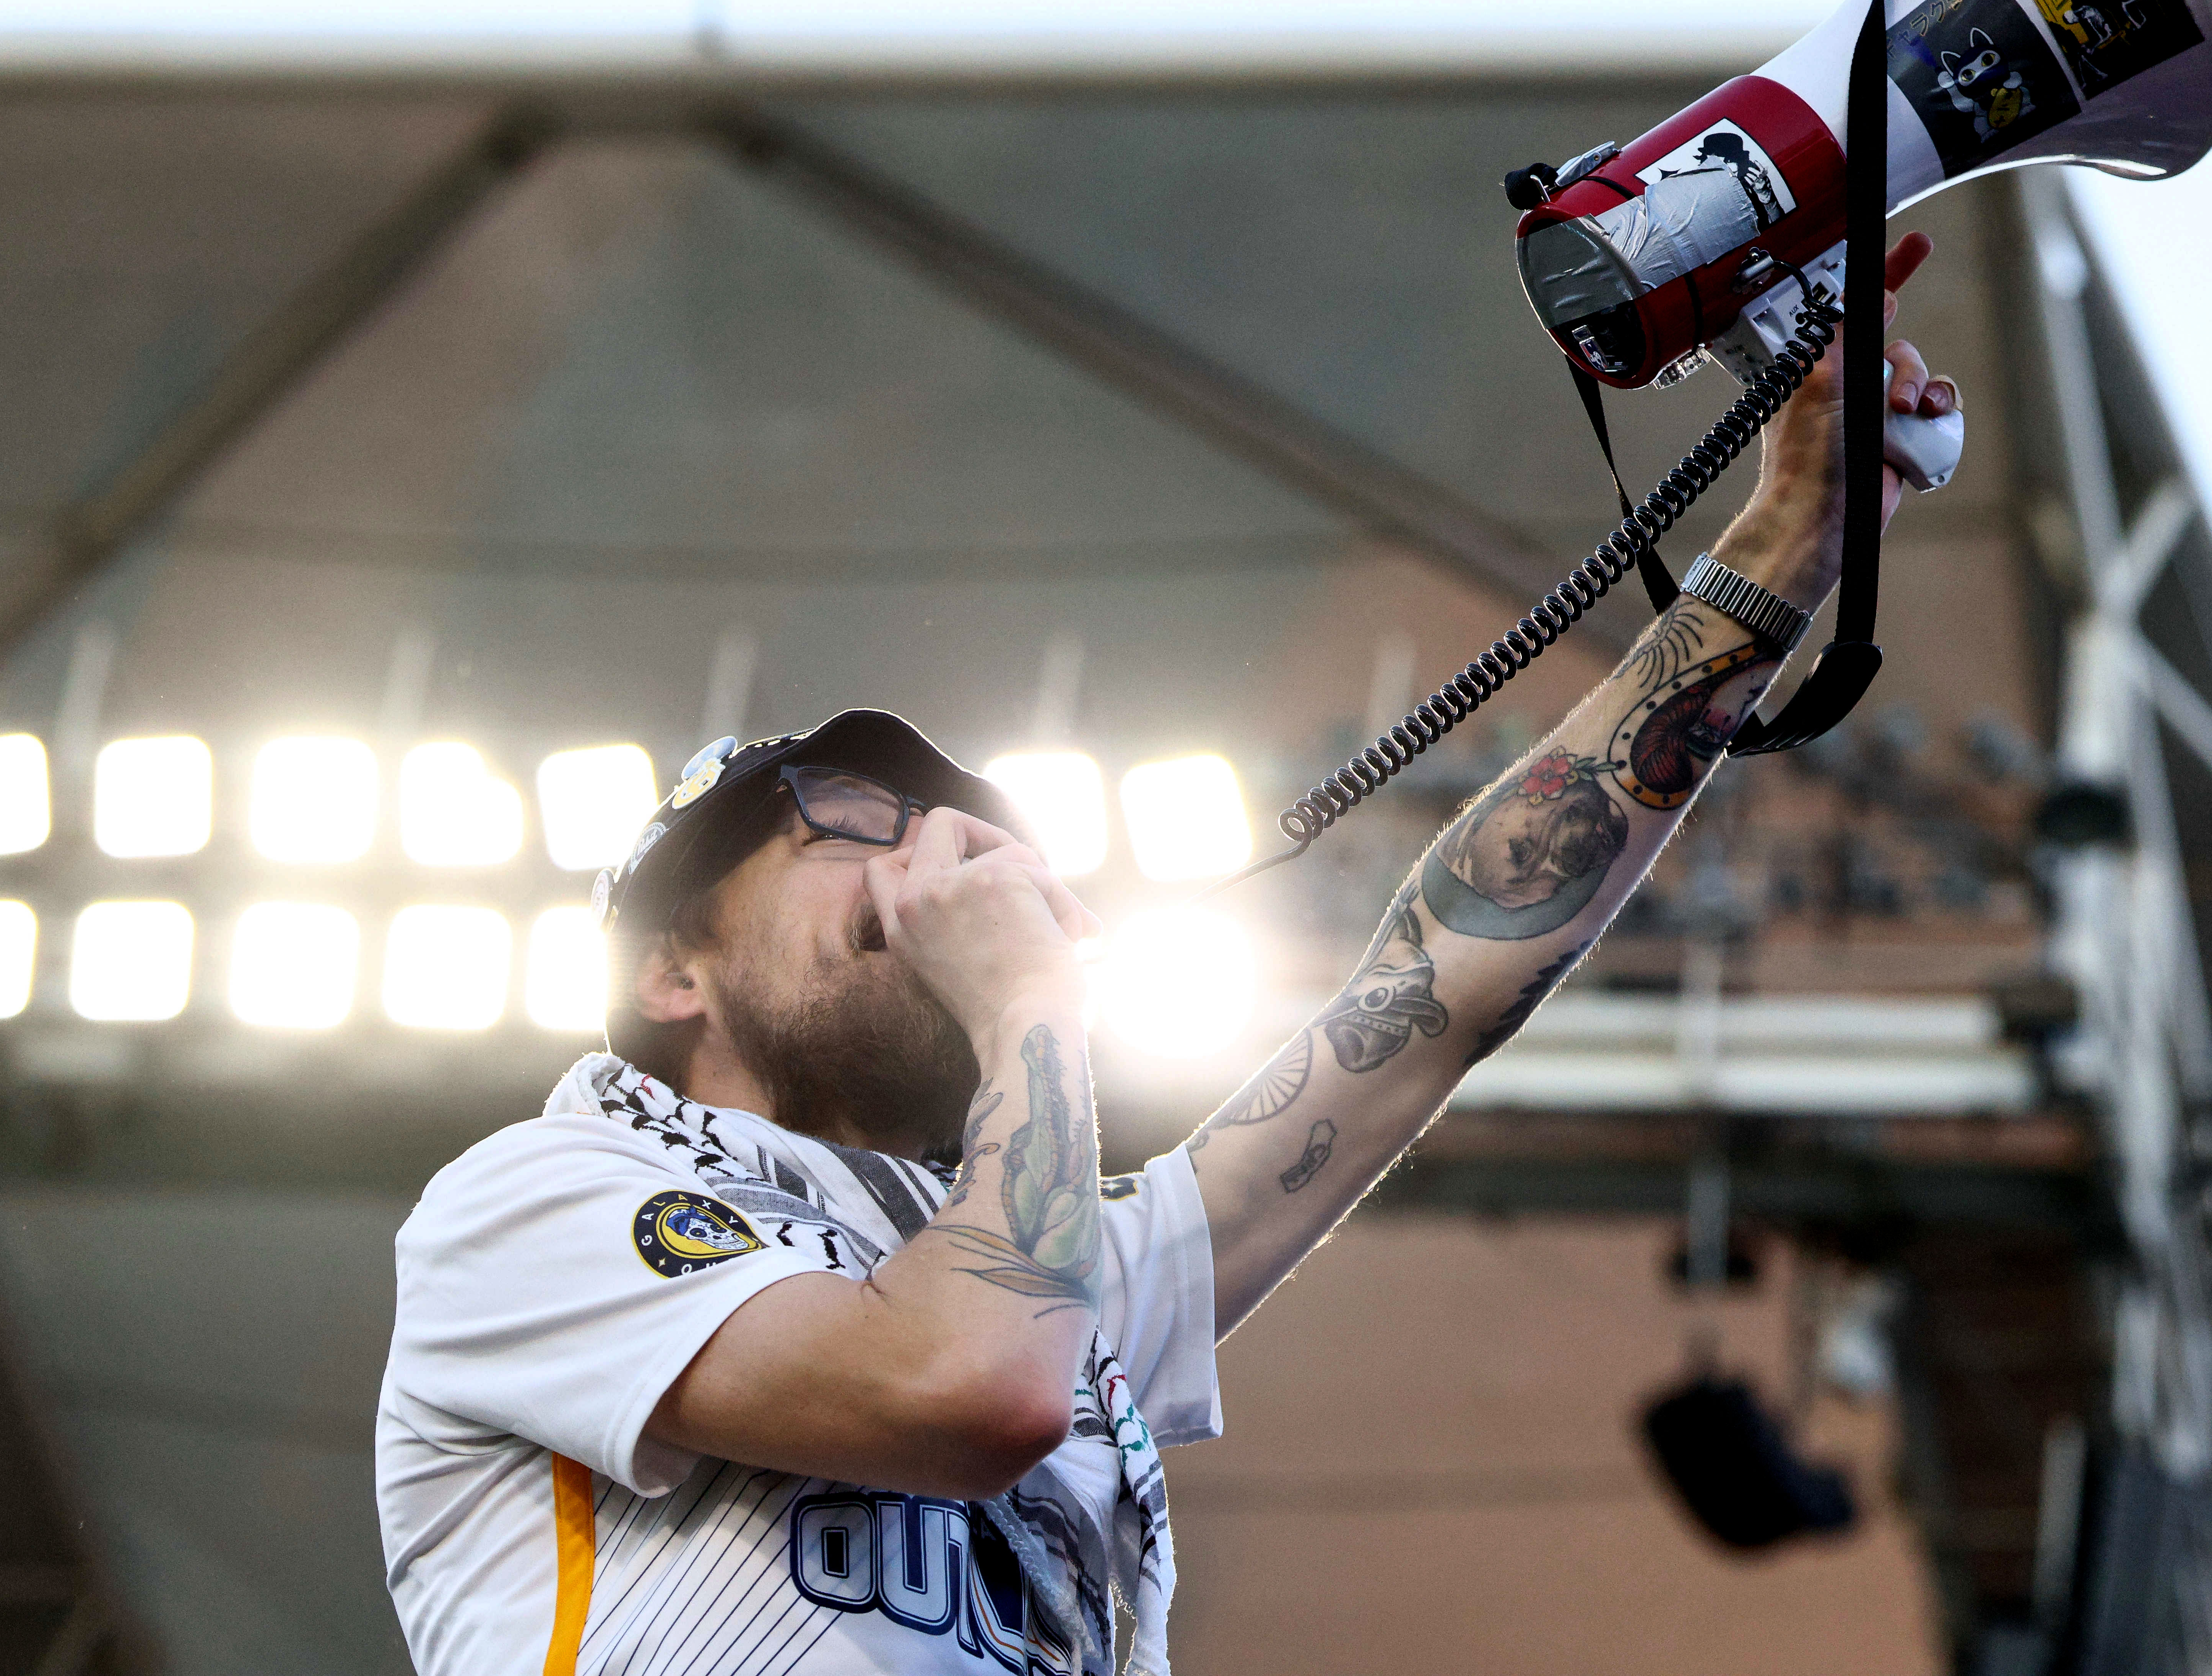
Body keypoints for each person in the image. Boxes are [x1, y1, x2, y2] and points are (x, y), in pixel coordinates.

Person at [374, 236, 1961, 1676]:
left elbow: (1439, 989)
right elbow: (970, 1393)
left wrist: (1781, 553)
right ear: (676, 974)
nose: (947, 858)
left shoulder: (1051, 1265)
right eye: (849, 820)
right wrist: (1031, 1006)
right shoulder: (535, 1210)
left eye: (972, 832)